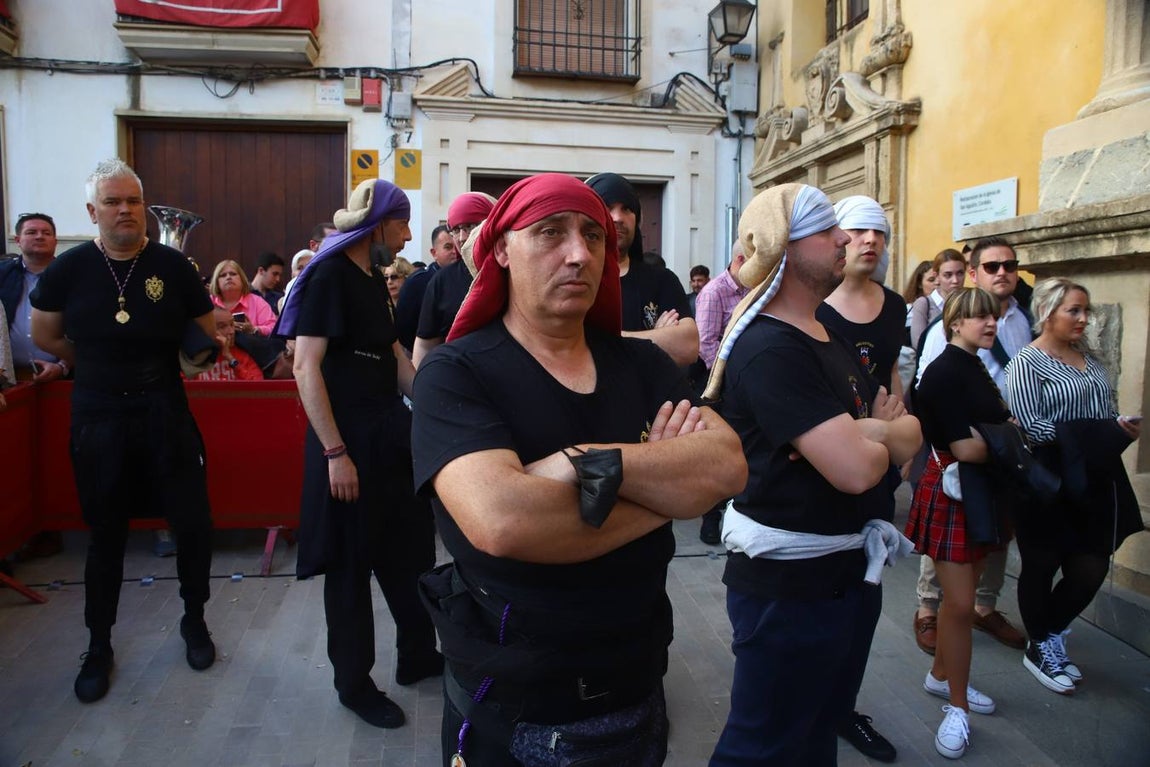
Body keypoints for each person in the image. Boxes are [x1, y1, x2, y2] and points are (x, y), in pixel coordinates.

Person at [412, 173, 747, 766]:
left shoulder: (640, 363)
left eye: (594, 236)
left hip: (639, 684)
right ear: (500, 251)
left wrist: (583, 464)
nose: (580, 253)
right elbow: (504, 520)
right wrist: (668, 488)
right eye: (550, 233)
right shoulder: (456, 373)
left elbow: (726, 466)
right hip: (517, 706)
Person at [705, 184, 920, 767]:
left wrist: (864, 433)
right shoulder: (772, 349)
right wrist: (868, 435)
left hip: (843, 572)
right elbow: (856, 470)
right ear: (787, 246)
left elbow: (907, 432)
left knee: (814, 736)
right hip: (789, 589)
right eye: (829, 232)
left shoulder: (826, 330)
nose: (846, 239)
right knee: (762, 746)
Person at [30, 158, 219, 703]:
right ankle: (98, 645)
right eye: (113, 202)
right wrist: (97, 366)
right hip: (98, 415)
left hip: (164, 408)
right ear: (93, 211)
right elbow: (46, 334)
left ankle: (195, 620)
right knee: (105, 533)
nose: (125, 210)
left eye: (133, 200)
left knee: (191, 523)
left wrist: (185, 357)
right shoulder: (69, 269)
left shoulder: (173, 266)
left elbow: (202, 338)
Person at [277, 178, 442, 730]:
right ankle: (354, 684)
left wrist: (440, 412)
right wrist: (335, 453)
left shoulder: (369, 276)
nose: (408, 235)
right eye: (402, 225)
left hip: (388, 435)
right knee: (350, 570)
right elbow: (305, 368)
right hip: (346, 442)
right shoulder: (326, 276)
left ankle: (418, 656)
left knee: (409, 551)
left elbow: (394, 354)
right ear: (379, 226)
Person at [1006, 278, 1142, 695]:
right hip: (1049, 479)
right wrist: (1096, 433)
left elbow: (1106, 409)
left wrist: (1120, 427)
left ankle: (1048, 633)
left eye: (1087, 310)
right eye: (1075, 311)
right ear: (1047, 312)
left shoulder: (1092, 358)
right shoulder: (1026, 363)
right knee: (1042, 564)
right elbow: (1030, 426)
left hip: (1097, 475)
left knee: (1091, 565)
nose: (1084, 319)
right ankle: (1041, 646)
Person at [812, 194, 911, 762]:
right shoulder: (815, 307)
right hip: (827, 455)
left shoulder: (894, 305)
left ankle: (844, 706)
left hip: (879, 457)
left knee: (864, 590)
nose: (870, 241)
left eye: (880, 231)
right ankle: (813, 703)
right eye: (859, 230)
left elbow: (894, 374)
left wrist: (897, 441)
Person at [913, 237, 1032, 656]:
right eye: (993, 265)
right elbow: (932, 392)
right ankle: (931, 611)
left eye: (1010, 265)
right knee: (949, 564)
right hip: (962, 460)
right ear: (974, 271)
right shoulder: (945, 341)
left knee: (990, 547)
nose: (1003, 272)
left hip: (995, 458)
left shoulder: (1022, 316)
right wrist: (1005, 439)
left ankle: (985, 610)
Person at [906, 287, 1010, 759]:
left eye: (993, 316)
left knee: (958, 603)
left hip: (975, 494)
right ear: (954, 323)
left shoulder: (974, 366)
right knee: (962, 604)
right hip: (952, 490)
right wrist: (1010, 441)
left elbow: (995, 429)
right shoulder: (946, 372)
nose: (990, 323)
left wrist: (1002, 437)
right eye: (978, 317)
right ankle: (958, 706)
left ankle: (940, 677)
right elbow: (967, 448)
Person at [586, 172, 699, 366]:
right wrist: (657, 336)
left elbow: (687, 347)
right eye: (607, 207)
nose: (617, 217)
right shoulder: (576, 278)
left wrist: (602, 338)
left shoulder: (662, 280)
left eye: (627, 209)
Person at [694, 241, 748, 545]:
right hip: (720, 390)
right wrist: (734, 378)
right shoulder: (715, 292)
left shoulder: (751, 290)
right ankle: (711, 516)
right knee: (718, 452)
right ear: (740, 259)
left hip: (745, 389)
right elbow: (706, 344)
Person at [411, 192, 496, 368]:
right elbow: (424, 345)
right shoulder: (441, 281)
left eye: (471, 226)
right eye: (456, 230)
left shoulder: (514, 273)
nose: (463, 237)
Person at [0, 212, 67, 382]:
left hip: (62, 378)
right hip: (11, 378)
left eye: (46, 233)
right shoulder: (3, 275)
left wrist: (63, 366)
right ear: (17, 240)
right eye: (31, 232)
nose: (39, 237)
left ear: (55, 241)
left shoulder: (71, 276)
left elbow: (85, 327)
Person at [395, 224, 458, 353]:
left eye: (456, 246)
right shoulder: (418, 282)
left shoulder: (465, 276)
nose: (455, 252)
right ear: (434, 253)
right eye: (448, 247)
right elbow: (404, 325)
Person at [909, 249, 965, 351]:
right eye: (948, 275)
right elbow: (918, 343)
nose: (955, 280)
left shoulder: (968, 302)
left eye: (960, 273)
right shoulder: (924, 304)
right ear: (937, 276)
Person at [189, 308, 263, 381]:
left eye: (232, 324)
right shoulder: (193, 356)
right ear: (206, 330)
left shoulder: (241, 352)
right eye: (222, 327)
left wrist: (230, 358)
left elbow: (258, 387)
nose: (231, 331)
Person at [208, 259, 278, 336]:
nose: (228, 277)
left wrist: (254, 330)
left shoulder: (257, 302)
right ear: (216, 282)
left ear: (242, 279)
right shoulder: (208, 302)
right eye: (223, 275)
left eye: (233, 274)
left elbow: (273, 327)